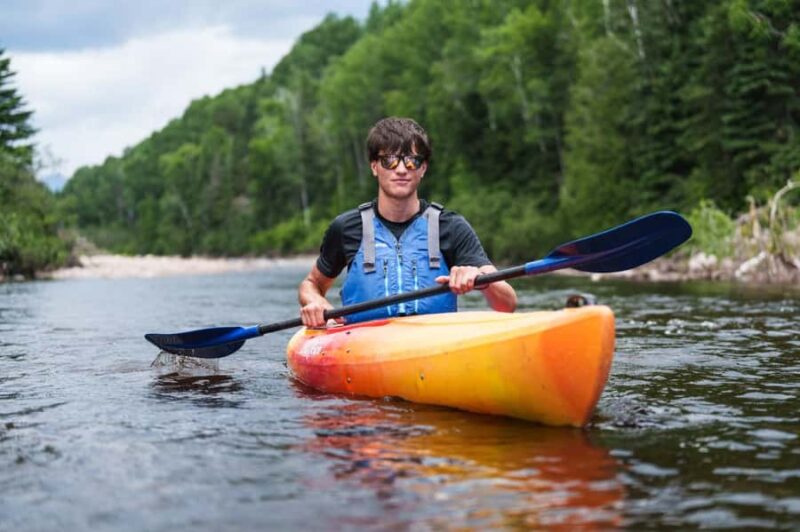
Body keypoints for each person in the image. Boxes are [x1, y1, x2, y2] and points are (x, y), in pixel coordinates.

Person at [298, 117, 517, 327]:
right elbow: (311, 285)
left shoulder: (451, 227)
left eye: (412, 161)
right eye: (390, 160)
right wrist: (317, 303)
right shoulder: (346, 228)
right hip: (360, 344)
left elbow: (507, 304)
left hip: (434, 346)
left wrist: (483, 280)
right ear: (374, 166)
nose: (401, 169)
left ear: (423, 168)